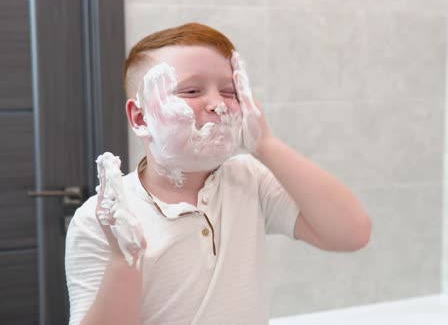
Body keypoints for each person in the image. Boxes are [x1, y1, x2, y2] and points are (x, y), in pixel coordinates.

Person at [65, 22, 371, 325]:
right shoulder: (98, 221)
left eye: (229, 91)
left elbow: (351, 233)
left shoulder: (248, 179)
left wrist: (266, 144)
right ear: (140, 116)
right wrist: (123, 261)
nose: (218, 104)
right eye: (192, 90)